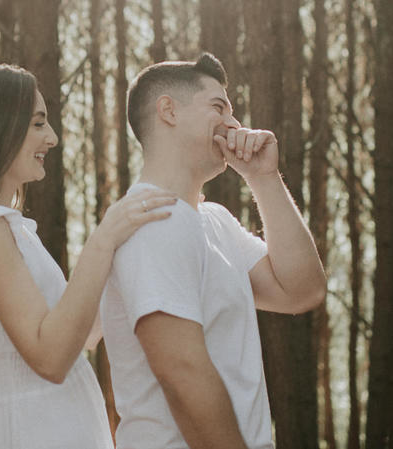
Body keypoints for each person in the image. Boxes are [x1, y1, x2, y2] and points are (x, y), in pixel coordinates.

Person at [0, 63, 175, 449]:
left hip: (68, 417)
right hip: (40, 427)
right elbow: (50, 359)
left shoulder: (8, 228)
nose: (51, 138)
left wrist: (131, 246)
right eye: (37, 123)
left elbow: (79, 336)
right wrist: (103, 239)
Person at [100, 53, 326, 449]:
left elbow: (302, 290)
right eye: (217, 107)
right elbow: (181, 373)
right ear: (168, 111)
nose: (234, 124)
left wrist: (264, 177)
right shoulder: (147, 220)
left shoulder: (216, 221)